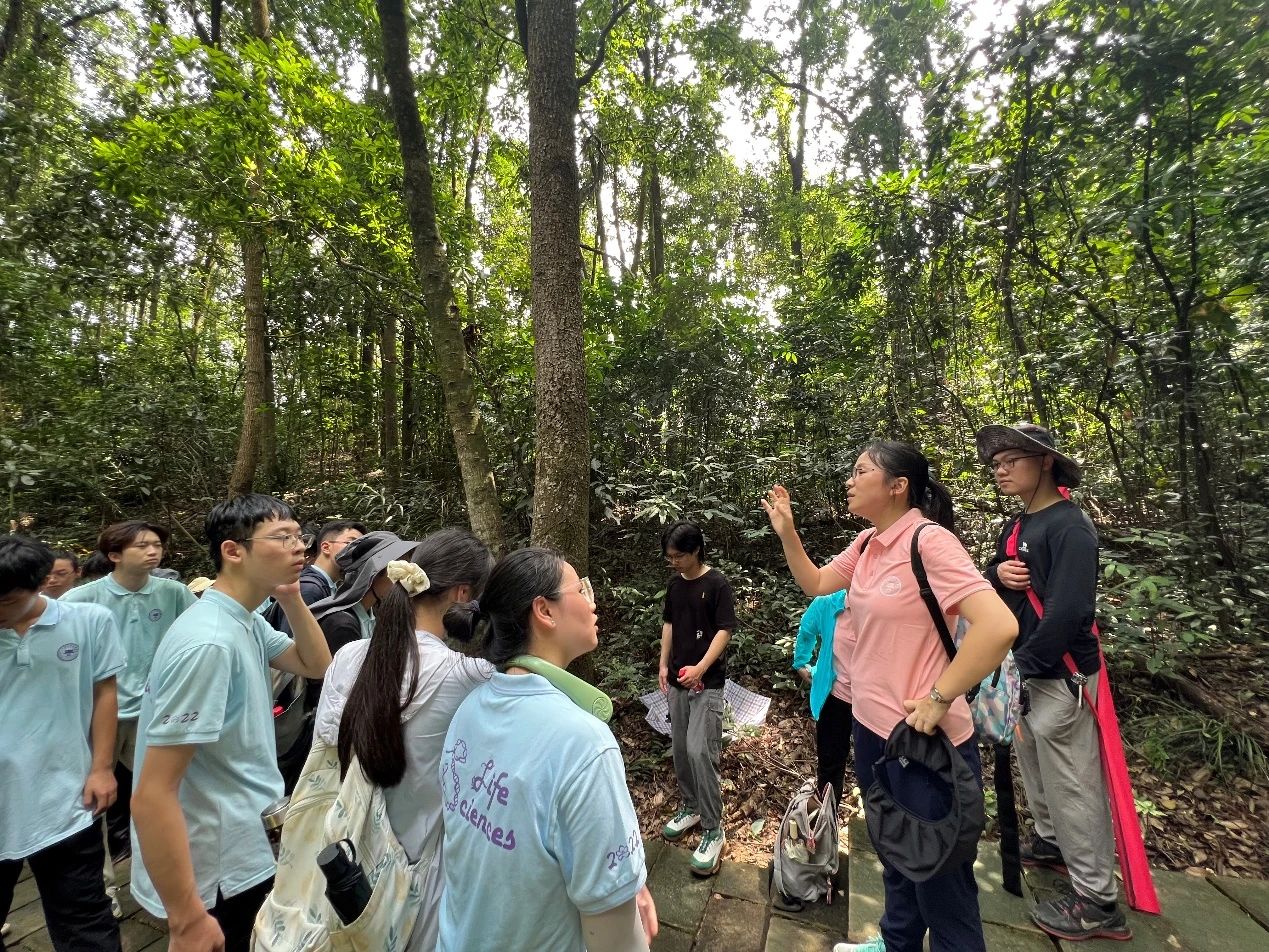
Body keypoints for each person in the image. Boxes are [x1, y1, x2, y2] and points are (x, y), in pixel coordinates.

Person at [762, 441, 1018, 952]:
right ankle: (895, 943)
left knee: (942, 881)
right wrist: (788, 532)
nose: (850, 480)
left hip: (925, 743)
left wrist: (939, 697)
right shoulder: (867, 544)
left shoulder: (931, 542)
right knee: (896, 853)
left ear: (898, 486)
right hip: (872, 731)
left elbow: (999, 626)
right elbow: (816, 583)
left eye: (861, 471)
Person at [129, 494, 333, 952]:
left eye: (298, 535)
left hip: (248, 840)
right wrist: (187, 919)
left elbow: (316, 664)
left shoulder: (242, 619)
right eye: (281, 537)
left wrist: (291, 596)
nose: (299, 546)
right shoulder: (210, 643)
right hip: (217, 867)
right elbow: (151, 793)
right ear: (233, 550)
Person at [438, 548, 658, 951]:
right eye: (581, 590)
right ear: (545, 610)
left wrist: (626, 883)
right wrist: (620, 890)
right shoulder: (584, 745)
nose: (592, 603)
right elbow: (618, 942)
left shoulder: (469, 710)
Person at [976, 422, 1129, 941]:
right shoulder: (1019, 523)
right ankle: (1050, 842)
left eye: (1011, 460)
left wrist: (1019, 666)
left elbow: (1068, 612)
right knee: (1036, 766)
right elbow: (996, 576)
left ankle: (1098, 900)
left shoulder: (1070, 527)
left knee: (1072, 783)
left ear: (1044, 462)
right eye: (996, 464)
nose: (1000, 470)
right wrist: (997, 572)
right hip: (1024, 672)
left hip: (1059, 674)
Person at [310, 528, 494, 950]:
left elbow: (326, 748)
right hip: (420, 881)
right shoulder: (465, 676)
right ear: (463, 594)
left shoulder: (348, 656)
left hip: (348, 857)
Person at [0, 536, 125, 952]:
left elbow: (104, 691)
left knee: (84, 919)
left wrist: (101, 767)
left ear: (40, 584)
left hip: (65, 796)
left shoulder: (89, 621)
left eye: (7, 600)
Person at [62, 521, 198, 863]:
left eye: (157, 545)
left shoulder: (174, 593)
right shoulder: (82, 599)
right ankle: (103, 883)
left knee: (166, 791)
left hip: (154, 711)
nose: (153, 551)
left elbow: (198, 635)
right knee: (92, 798)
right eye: (142, 546)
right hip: (98, 713)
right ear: (114, 555)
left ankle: (165, 864)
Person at [656, 521, 736, 875]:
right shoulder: (675, 585)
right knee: (680, 748)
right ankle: (690, 807)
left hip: (707, 683)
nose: (673, 562)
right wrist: (663, 664)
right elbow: (669, 624)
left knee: (700, 751)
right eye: (669, 556)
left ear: (696, 551)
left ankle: (713, 829)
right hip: (677, 681)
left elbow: (725, 630)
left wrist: (702, 668)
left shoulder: (717, 584)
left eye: (678, 556)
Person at [793, 591, 853, 803]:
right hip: (835, 696)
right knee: (830, 764)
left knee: (876, 768)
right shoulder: (829, 603)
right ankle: (828, 816)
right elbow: (807, 629)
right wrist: (801, 662)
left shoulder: (885, 606)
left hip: (875, 703)